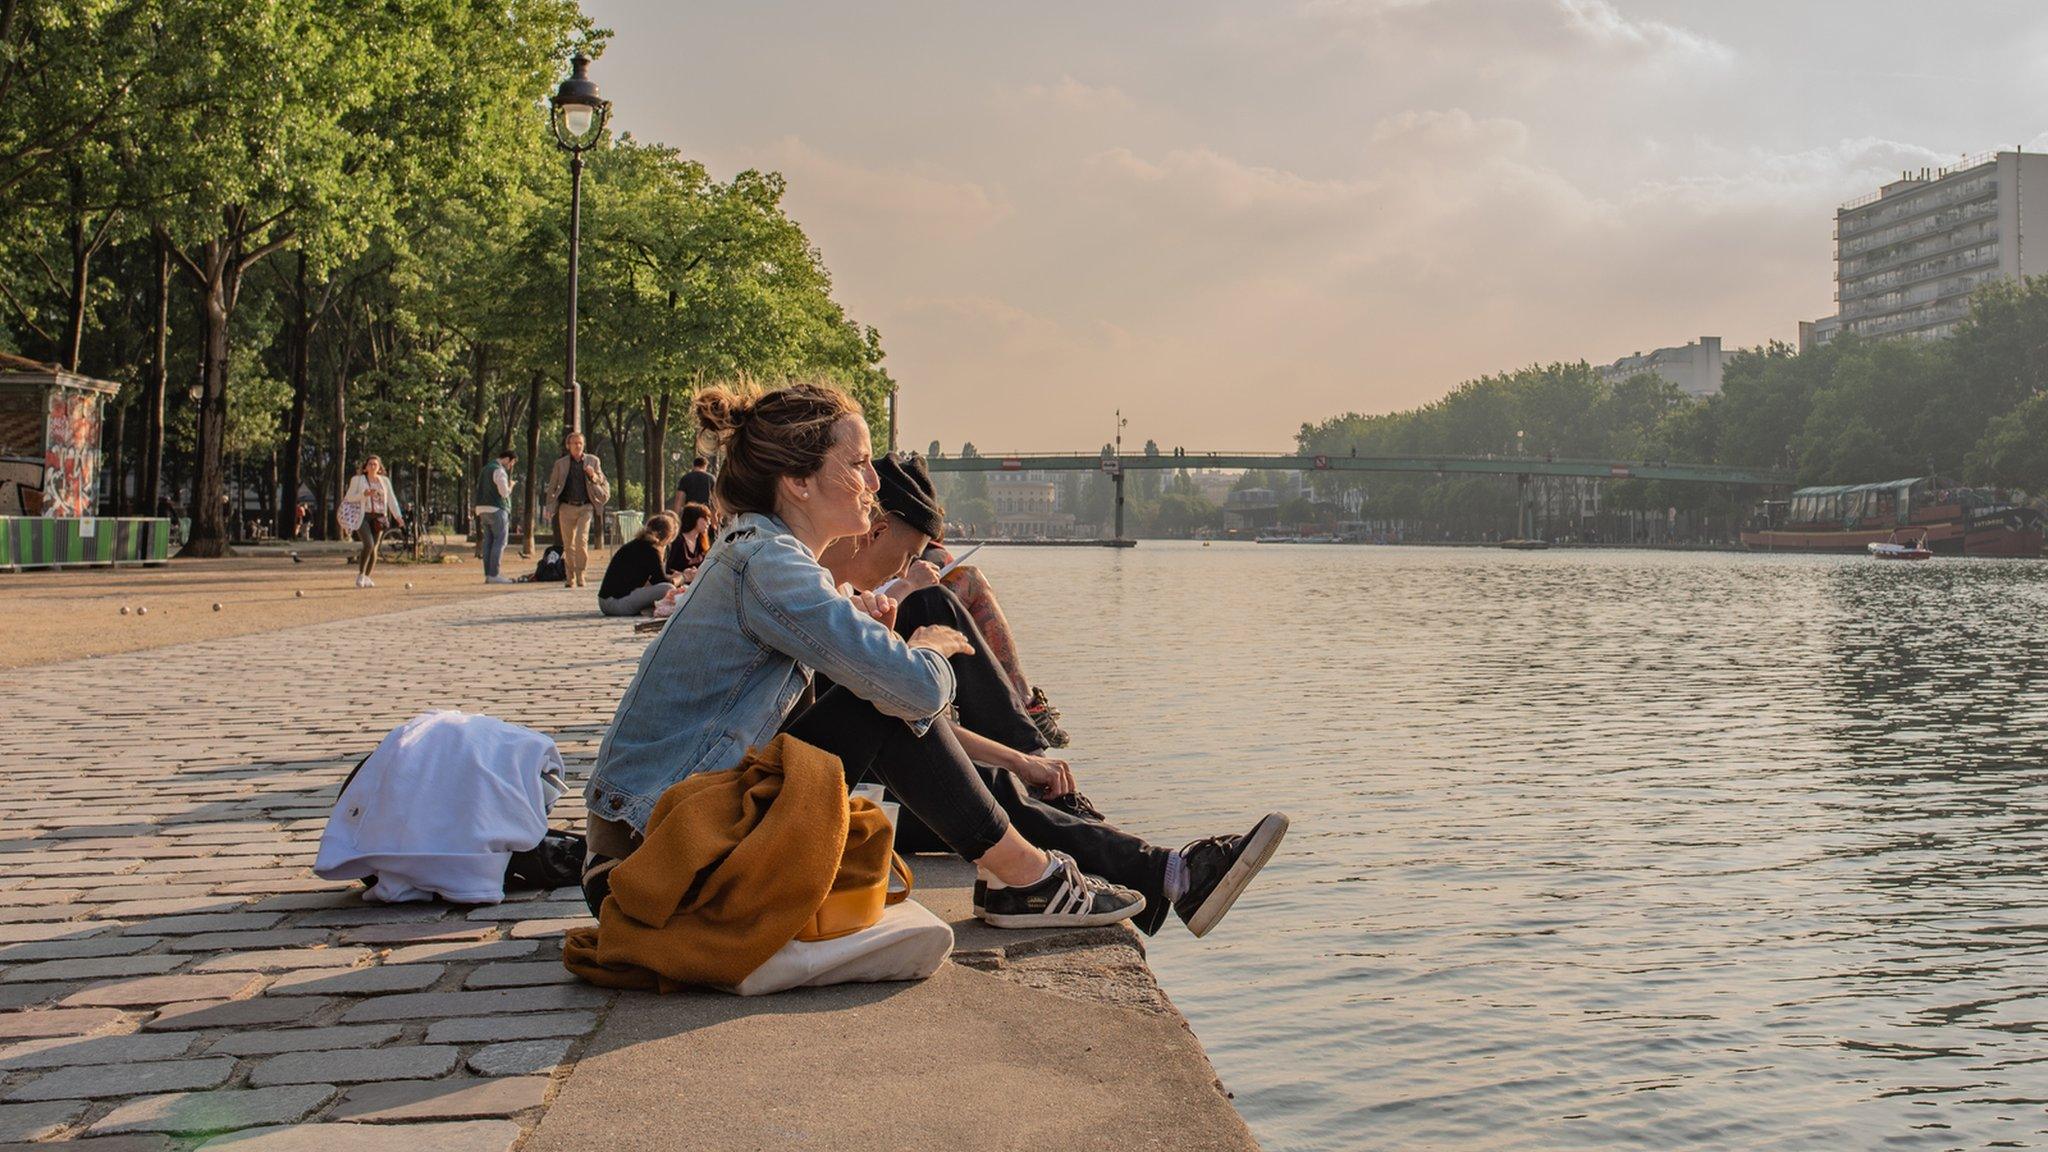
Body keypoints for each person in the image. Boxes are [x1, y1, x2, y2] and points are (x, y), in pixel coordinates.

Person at [585, 382, 1287, 939]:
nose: (873, 483)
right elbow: (915, 696)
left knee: (889, 703)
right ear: (798, 482)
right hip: (658, 856)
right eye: (858, 463)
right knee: (887, 696)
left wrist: (865, 631)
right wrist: (918, 651)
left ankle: (1062, 876)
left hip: (650, 840)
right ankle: (1037, 878)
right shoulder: (773, 565)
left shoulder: (765, 556)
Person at [545, 431, 609, 588]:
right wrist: (549, 507)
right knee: (568, 545)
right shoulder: (560, 464)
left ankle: (581, 574)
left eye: (580, 443)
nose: (578, 446)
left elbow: (601, 479)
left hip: (585, 507)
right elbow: (552, 486)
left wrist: (593, 475)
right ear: (568, 446)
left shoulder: (593, 461)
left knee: (581, 541)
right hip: (566, 507)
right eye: (574, 443)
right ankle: (570, 577)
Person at [597, 512, 684, 617]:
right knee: (667, 588)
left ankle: (648, 608)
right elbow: (661, 581)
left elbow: (652, 580)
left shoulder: (638, 544)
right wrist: (681, 578)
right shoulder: (651, 550)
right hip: (615, 604)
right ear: (667, 537)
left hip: (607, 601)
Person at [340, 455, 402, 588]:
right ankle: (360, 575)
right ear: (365, 467)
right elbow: (349, 497)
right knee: (368, 544)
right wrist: (364, 494)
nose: (372, 466)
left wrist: (398, 516)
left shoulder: (384, 481)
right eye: (370, 464)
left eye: (375, 464)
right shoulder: (357, 480)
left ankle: (367, 576)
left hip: (379, 517)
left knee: (374, 548)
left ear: (379, 467)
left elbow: (391, 499)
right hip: (363, 516)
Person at [474, 450, 518, 585]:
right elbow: (504, 493)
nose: (511, 466)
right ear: (507, 459)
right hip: (497, 509)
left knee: (488, 542)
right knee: (500, 541)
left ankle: (488, 574)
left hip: (482, 509)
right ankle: (494, 574)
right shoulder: (499, 470)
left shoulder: (485, 469)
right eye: (512, 462)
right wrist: (510, 486)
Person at [665, 501, 712, 575]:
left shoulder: (701, 542)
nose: (709, 523)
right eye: (705, 519)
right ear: (694, 519)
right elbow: (667, 569)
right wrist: (683, 574)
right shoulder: (677, 540)